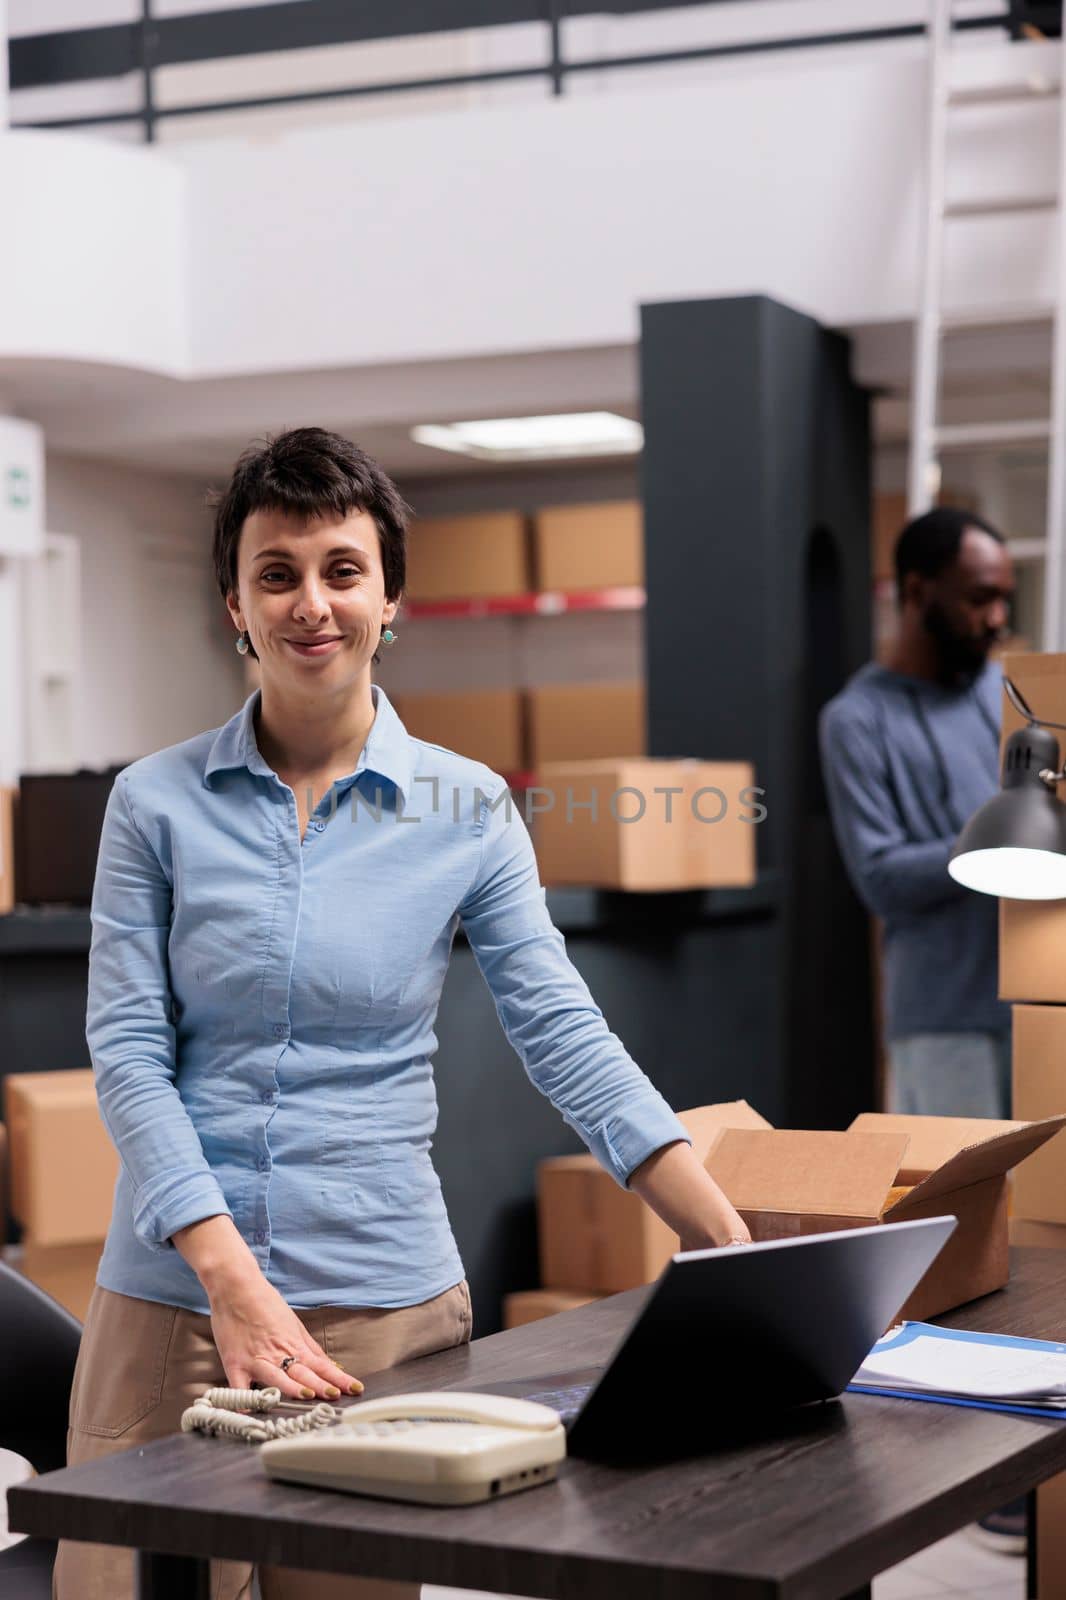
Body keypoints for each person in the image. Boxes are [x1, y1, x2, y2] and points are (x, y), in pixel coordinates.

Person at [55, 427, 750, 1600]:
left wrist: (721, 1237)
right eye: (276, 572)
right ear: (233, 601)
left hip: (375, 1315)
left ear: (391, 601)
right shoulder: (153, 803)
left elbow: (561, 1030)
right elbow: (127, 1049)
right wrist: (229, 1279)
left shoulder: (468, 807)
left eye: (342, 569)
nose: (310, 603)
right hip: (176, 1304)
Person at [819, 506, 1015, 1120]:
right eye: (980, 598)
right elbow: (881, 879)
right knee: (973, 1210)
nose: (997, 620)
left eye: (1005, 599)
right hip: (946, 1024)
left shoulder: (1006, 692)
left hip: (1040, 1003)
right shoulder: (857, 719)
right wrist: (1005, 847)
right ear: (916, 591)